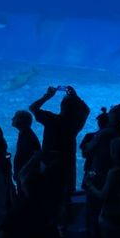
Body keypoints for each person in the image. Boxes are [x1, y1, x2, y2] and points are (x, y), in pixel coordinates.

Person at [29, 86, 89, 217]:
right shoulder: (75, 124)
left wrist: (47, 96)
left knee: (48, 190)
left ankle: (49, 218)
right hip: (67, 161)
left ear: (62, 107)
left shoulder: (51, 119)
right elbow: (86, 110)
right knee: (67, 190)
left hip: (49, 161)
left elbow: (33, 108)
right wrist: (75, 96)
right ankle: (67, 218)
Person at [11, 110, 40, 186]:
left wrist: (22, 171)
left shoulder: (28, 136)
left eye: (15, 117)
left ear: (21, 120)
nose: (12, 118)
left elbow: (35, 156)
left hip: (27, 177)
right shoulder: (24, 133)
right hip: (24, 175)